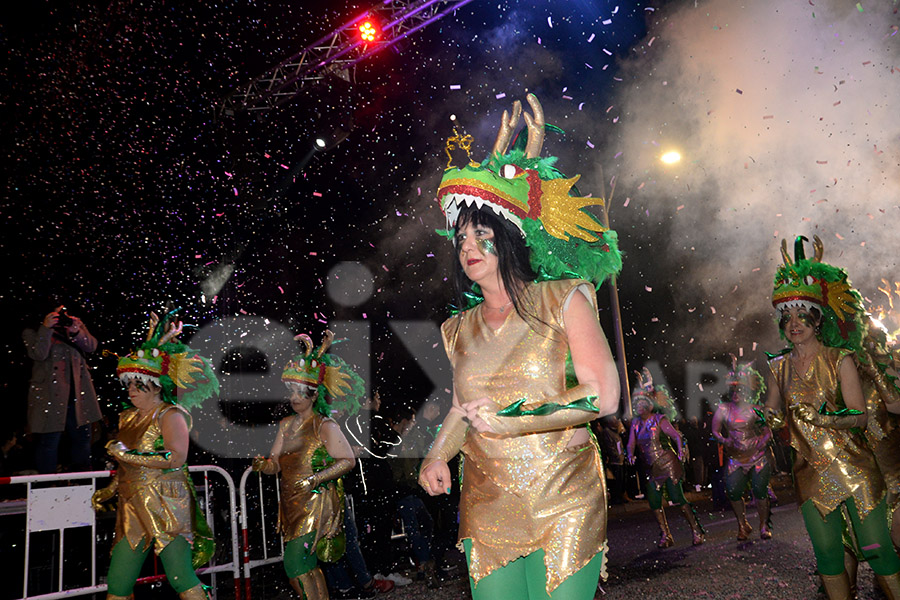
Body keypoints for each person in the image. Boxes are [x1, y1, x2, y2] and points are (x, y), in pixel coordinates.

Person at [418, 93, 622, 600]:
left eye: (481, 234)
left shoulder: (564, 297)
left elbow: (604, 396)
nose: (467, 247)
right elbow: (464, 409)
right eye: (461, 238)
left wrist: (516, 419)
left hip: (563, 492)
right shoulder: (455, 329)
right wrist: (437, 456)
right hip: (487, 501)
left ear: (509, 236)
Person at [764, 235, 900, 598]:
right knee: (827, 555)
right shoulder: (777, 367)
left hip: (855, 468)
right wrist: (771, 419)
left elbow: (857, 417)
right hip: (810, 473)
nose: (794, 323)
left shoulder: (840, 359)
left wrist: (821, 419)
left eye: (802, 315)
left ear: (816, 319)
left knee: (875, 547)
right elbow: (773, 409)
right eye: (787, 316)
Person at [91, 311, 219, 600]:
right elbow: (126, 467)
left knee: (181, 578)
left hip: (166, 504)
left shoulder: (170, 414)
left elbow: (176, 458)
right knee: (118, 583)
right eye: (129, 384)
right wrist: (110, 490)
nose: (131, 390)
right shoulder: (127, 418)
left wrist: (127, 454)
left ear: (157, 384)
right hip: (132, 506)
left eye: (138, 384)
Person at [253, 330, 364, 600]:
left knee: (294, 566)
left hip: (316, 504)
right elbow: (275, 464)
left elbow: (348, 460)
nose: (294, 397)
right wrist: (263, 465)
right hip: (291, 504)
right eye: (291, 391)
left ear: (314, 395)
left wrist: (314, 480)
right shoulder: (285, 425)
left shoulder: (324, 425)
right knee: (309, 566)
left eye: (300, 392)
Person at [626, 369, 705, 548]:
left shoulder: (660, 419)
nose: (638, 406)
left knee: (677, 497)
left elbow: (676, 436)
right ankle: (666, 535)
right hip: (650, 467)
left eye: (641, 403)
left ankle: (696, 530)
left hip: (667, 463)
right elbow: (631, 443)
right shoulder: (636, 424)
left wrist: (680, 450)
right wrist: (629, 453)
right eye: (636, 403)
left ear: (649, 404)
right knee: (654, 501)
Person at [23, 304, 102, 473]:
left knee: (82, 440)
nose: (61, 316)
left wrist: (77, 331)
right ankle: (45, 487)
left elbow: (92, 346)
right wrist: (46, 328)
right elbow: (38, 353)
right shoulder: (33, 330)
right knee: (49, 441)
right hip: (49, 395)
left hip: (78, 392)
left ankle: (82, 483)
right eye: (57, 312)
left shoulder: (72, 326)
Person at [711, 357, 773, 540]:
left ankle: (763, 525)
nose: (736, 393)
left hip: (757, 456)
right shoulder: (723, 409)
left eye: (739, 390)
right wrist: (723, 439)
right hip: (736, 457)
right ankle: (742, 524)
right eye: (732, 390)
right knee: (733, 491)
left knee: (760, 491)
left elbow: (767, 432)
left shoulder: (756, 409)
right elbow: (714, 430)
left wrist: (764, 441)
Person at [598, 416, 627, 505]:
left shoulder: (616, 432)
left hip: (620, 459)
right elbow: (610, 446)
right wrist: (615, 455)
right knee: (616, 481)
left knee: (621, 480)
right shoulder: (608, 432)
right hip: (615, 460)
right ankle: (616, 498)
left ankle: (620, 496)